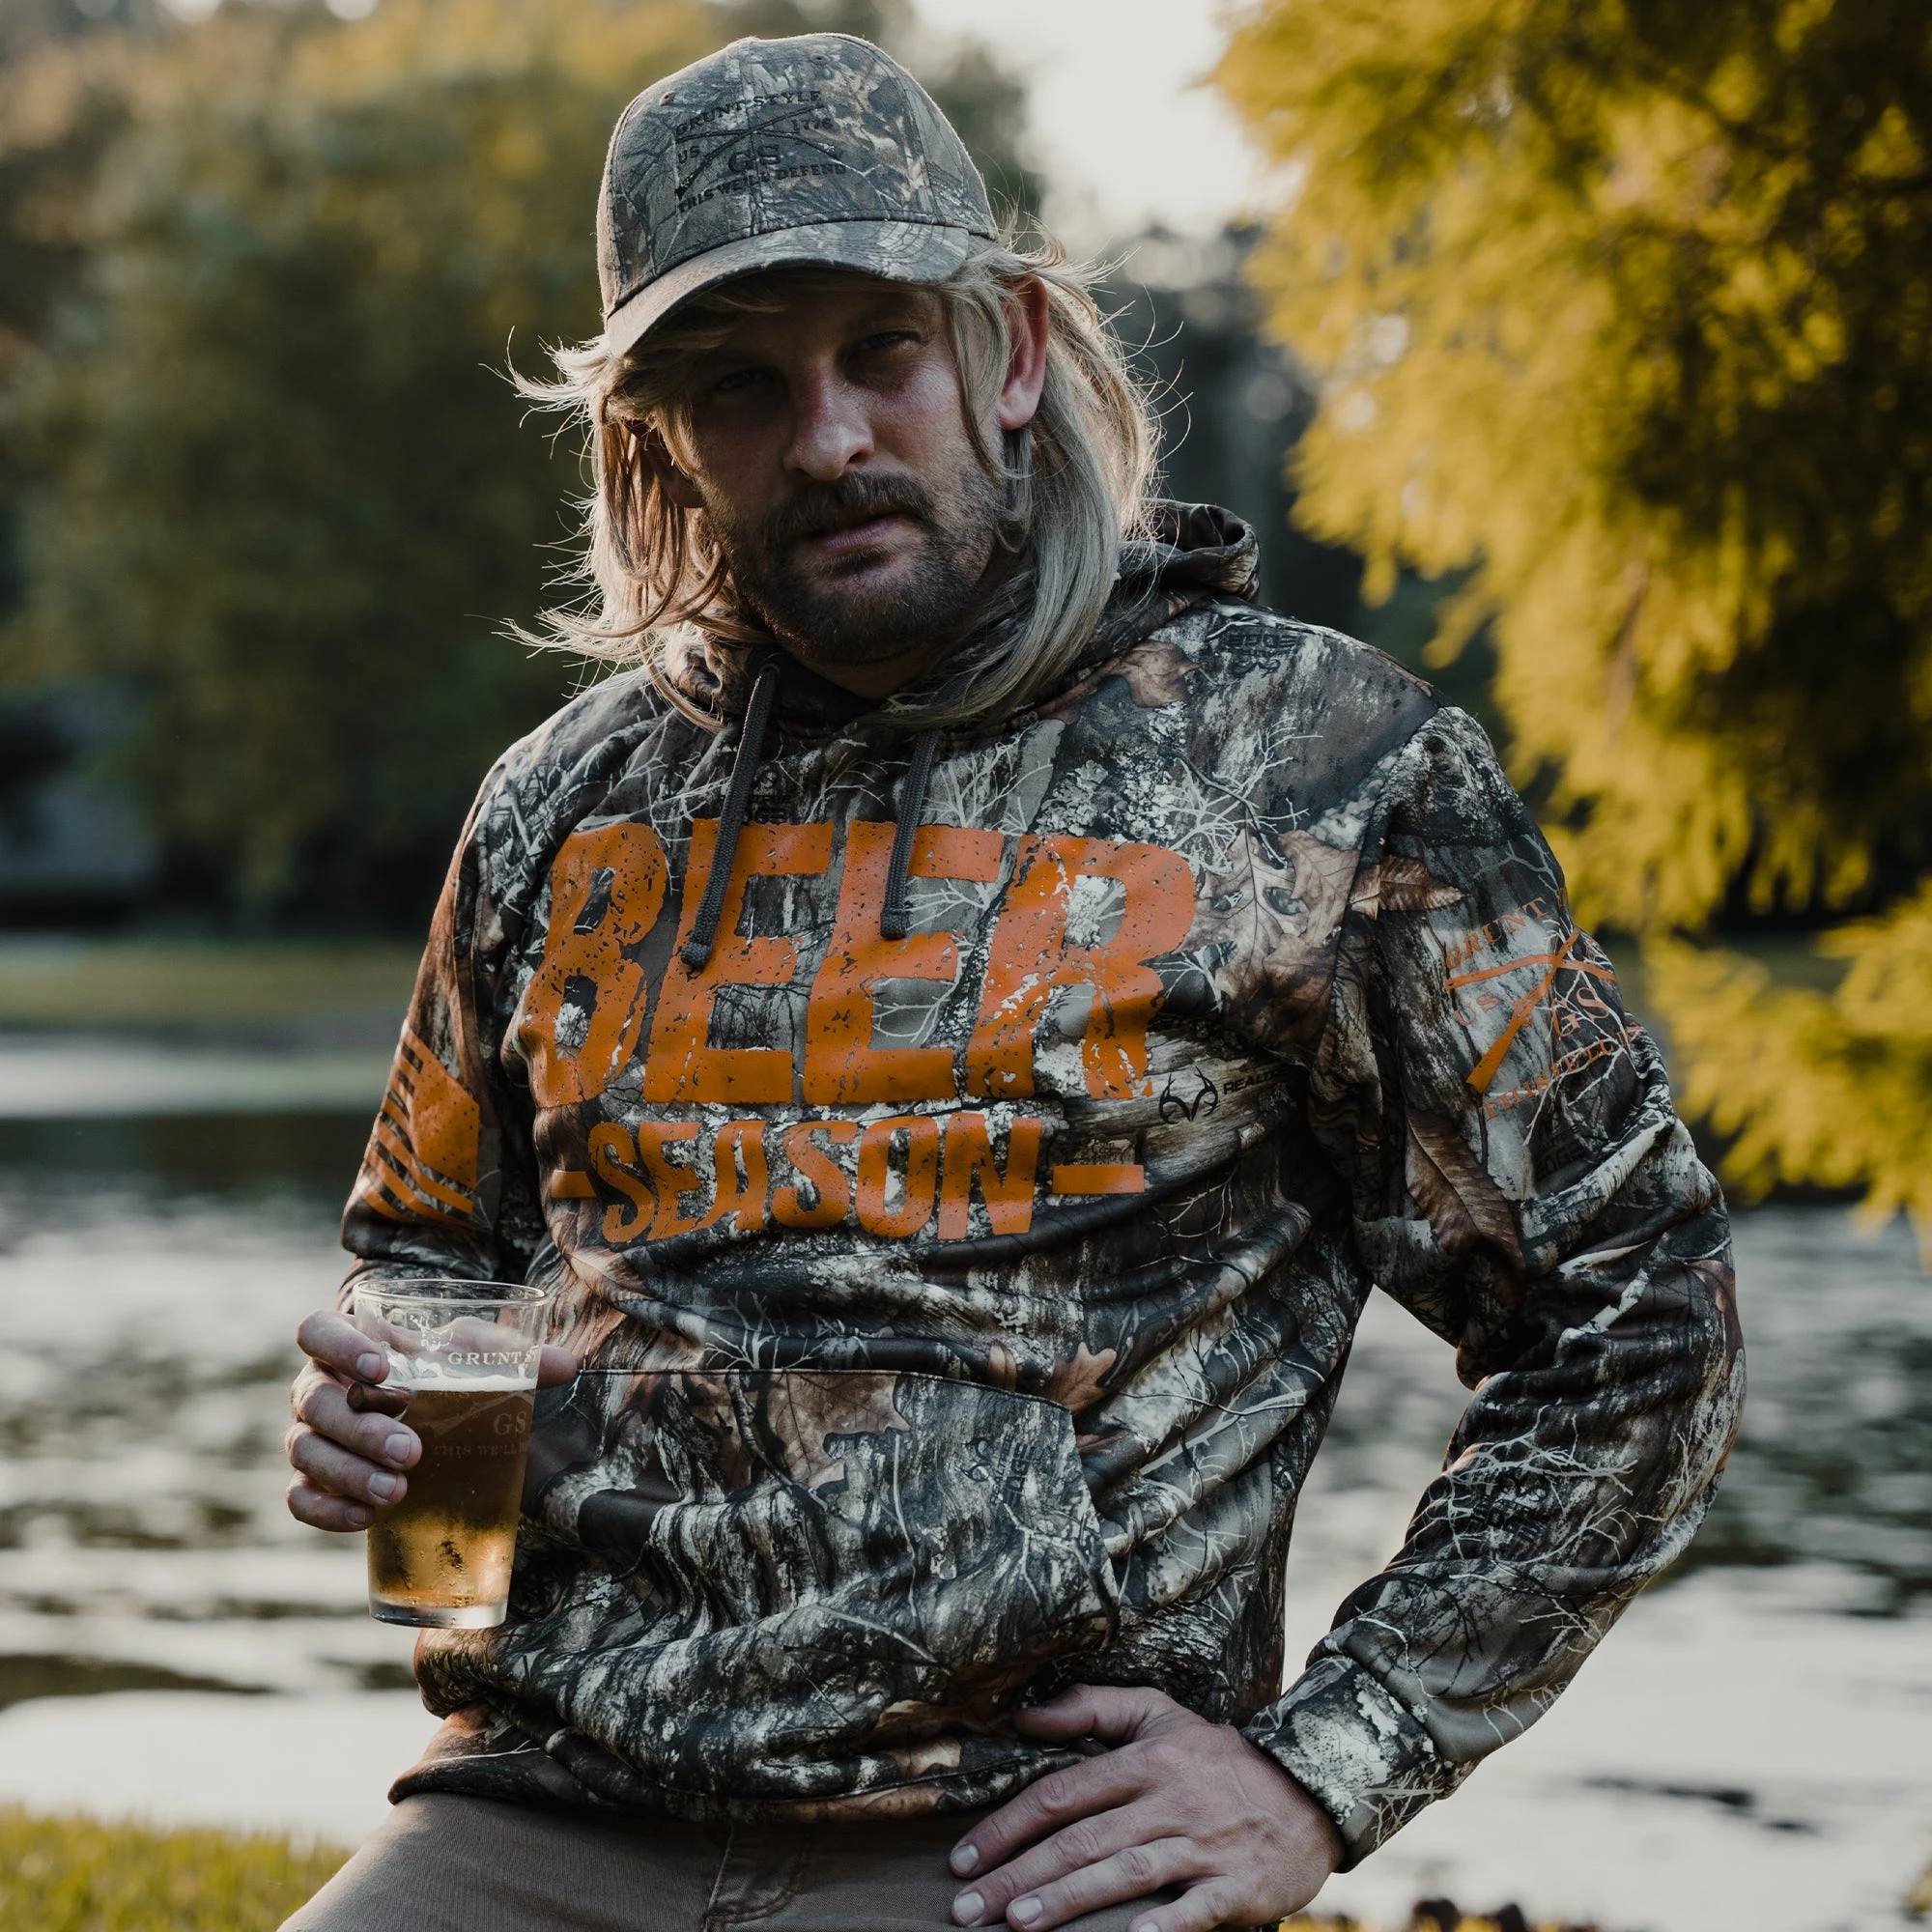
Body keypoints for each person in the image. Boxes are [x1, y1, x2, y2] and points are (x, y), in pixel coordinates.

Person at [279, 31, 1743, 1932]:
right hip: (539, 1803)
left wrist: (1327, 1766)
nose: (829, 439)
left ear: (1016, 353)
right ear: (660, 438)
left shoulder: (1316, 775)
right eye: (742, 385)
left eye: (880, 351)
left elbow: (1634, 1309)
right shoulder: (560, 807)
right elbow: (430, 1259)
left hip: (1018, 1850)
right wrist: (406, 1455)